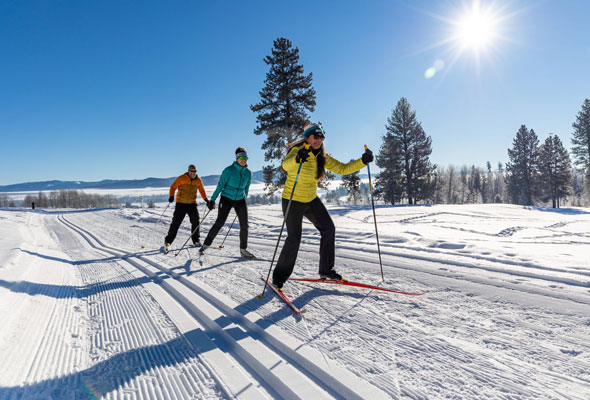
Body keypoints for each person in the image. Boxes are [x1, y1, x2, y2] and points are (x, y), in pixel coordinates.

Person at [272, 122, 373, 289]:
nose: (319, 140)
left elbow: (342, 168)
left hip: (311, 200)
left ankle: (326, 270)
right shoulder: (297, 151)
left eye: (321, 137)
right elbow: (285, 165)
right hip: (292, 200)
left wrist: (362, 161)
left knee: (328, 229)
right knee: (294, 239)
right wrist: (298, 159)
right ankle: (279, 278)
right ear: (308, 137)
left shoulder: (321, 156)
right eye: (315, 137)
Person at [200, 147, 255, 259]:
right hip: (226, 198)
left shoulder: (248, 173)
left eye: (245, 157)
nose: (243, 160)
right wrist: (213, 200)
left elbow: (247, 187)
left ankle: (243, 250)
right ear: (237, 158)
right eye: (241, 157)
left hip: (240, 199)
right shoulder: (228, 170)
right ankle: (205, 245)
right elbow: (220, 186)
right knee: (220, 222)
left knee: (244, 225)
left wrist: (245, 197)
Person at [164, 164, 214, 253]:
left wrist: (207, 200)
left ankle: (196, 241)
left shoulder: (198, 180)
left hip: (192, 204)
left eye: (195, 171)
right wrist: (171, 196)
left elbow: (202, 190)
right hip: (181, 204)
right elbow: (173, 187)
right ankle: (168, 241)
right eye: (191, 171)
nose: (193, 173)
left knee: (196, 221)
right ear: (188, 171)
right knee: (176, 222)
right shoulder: (181, 178)